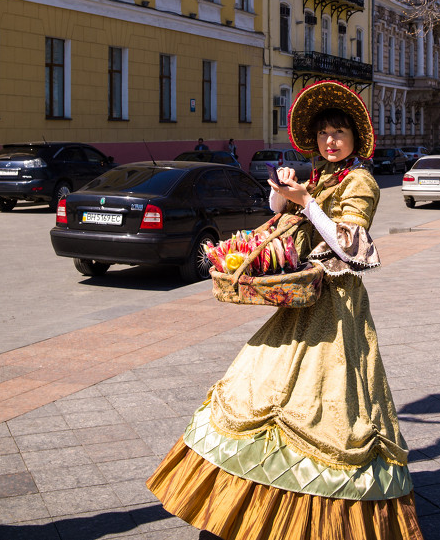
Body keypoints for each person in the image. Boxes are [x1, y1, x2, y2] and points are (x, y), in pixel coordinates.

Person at [147, 80, 422, 540]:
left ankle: (325, 522)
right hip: (301, 296)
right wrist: (286, 191)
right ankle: (250, 506)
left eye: (338, 133)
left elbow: (349, 248)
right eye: (323, 134)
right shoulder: (320, 176)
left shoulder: (361, 181)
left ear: (356, 138)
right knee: (255, 385)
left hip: (337, 305)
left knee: (333, 410)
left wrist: (308, 203)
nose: (329, 141)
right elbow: (277, 213)